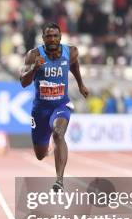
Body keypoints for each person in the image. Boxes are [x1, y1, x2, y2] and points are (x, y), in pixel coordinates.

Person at [20, 23, 89, 191]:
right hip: (40, 109)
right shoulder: (33, 55)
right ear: (43, 39)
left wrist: (80, 84)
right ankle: (48, 146)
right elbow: (23, 82)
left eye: (55, 36)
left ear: (60, 37)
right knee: (40, 155)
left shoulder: (70, 52)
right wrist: (35, 69)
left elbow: (74, 65)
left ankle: (59, 180)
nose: (52, 39)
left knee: (58, 133)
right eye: (48, 36)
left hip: (61, 104)